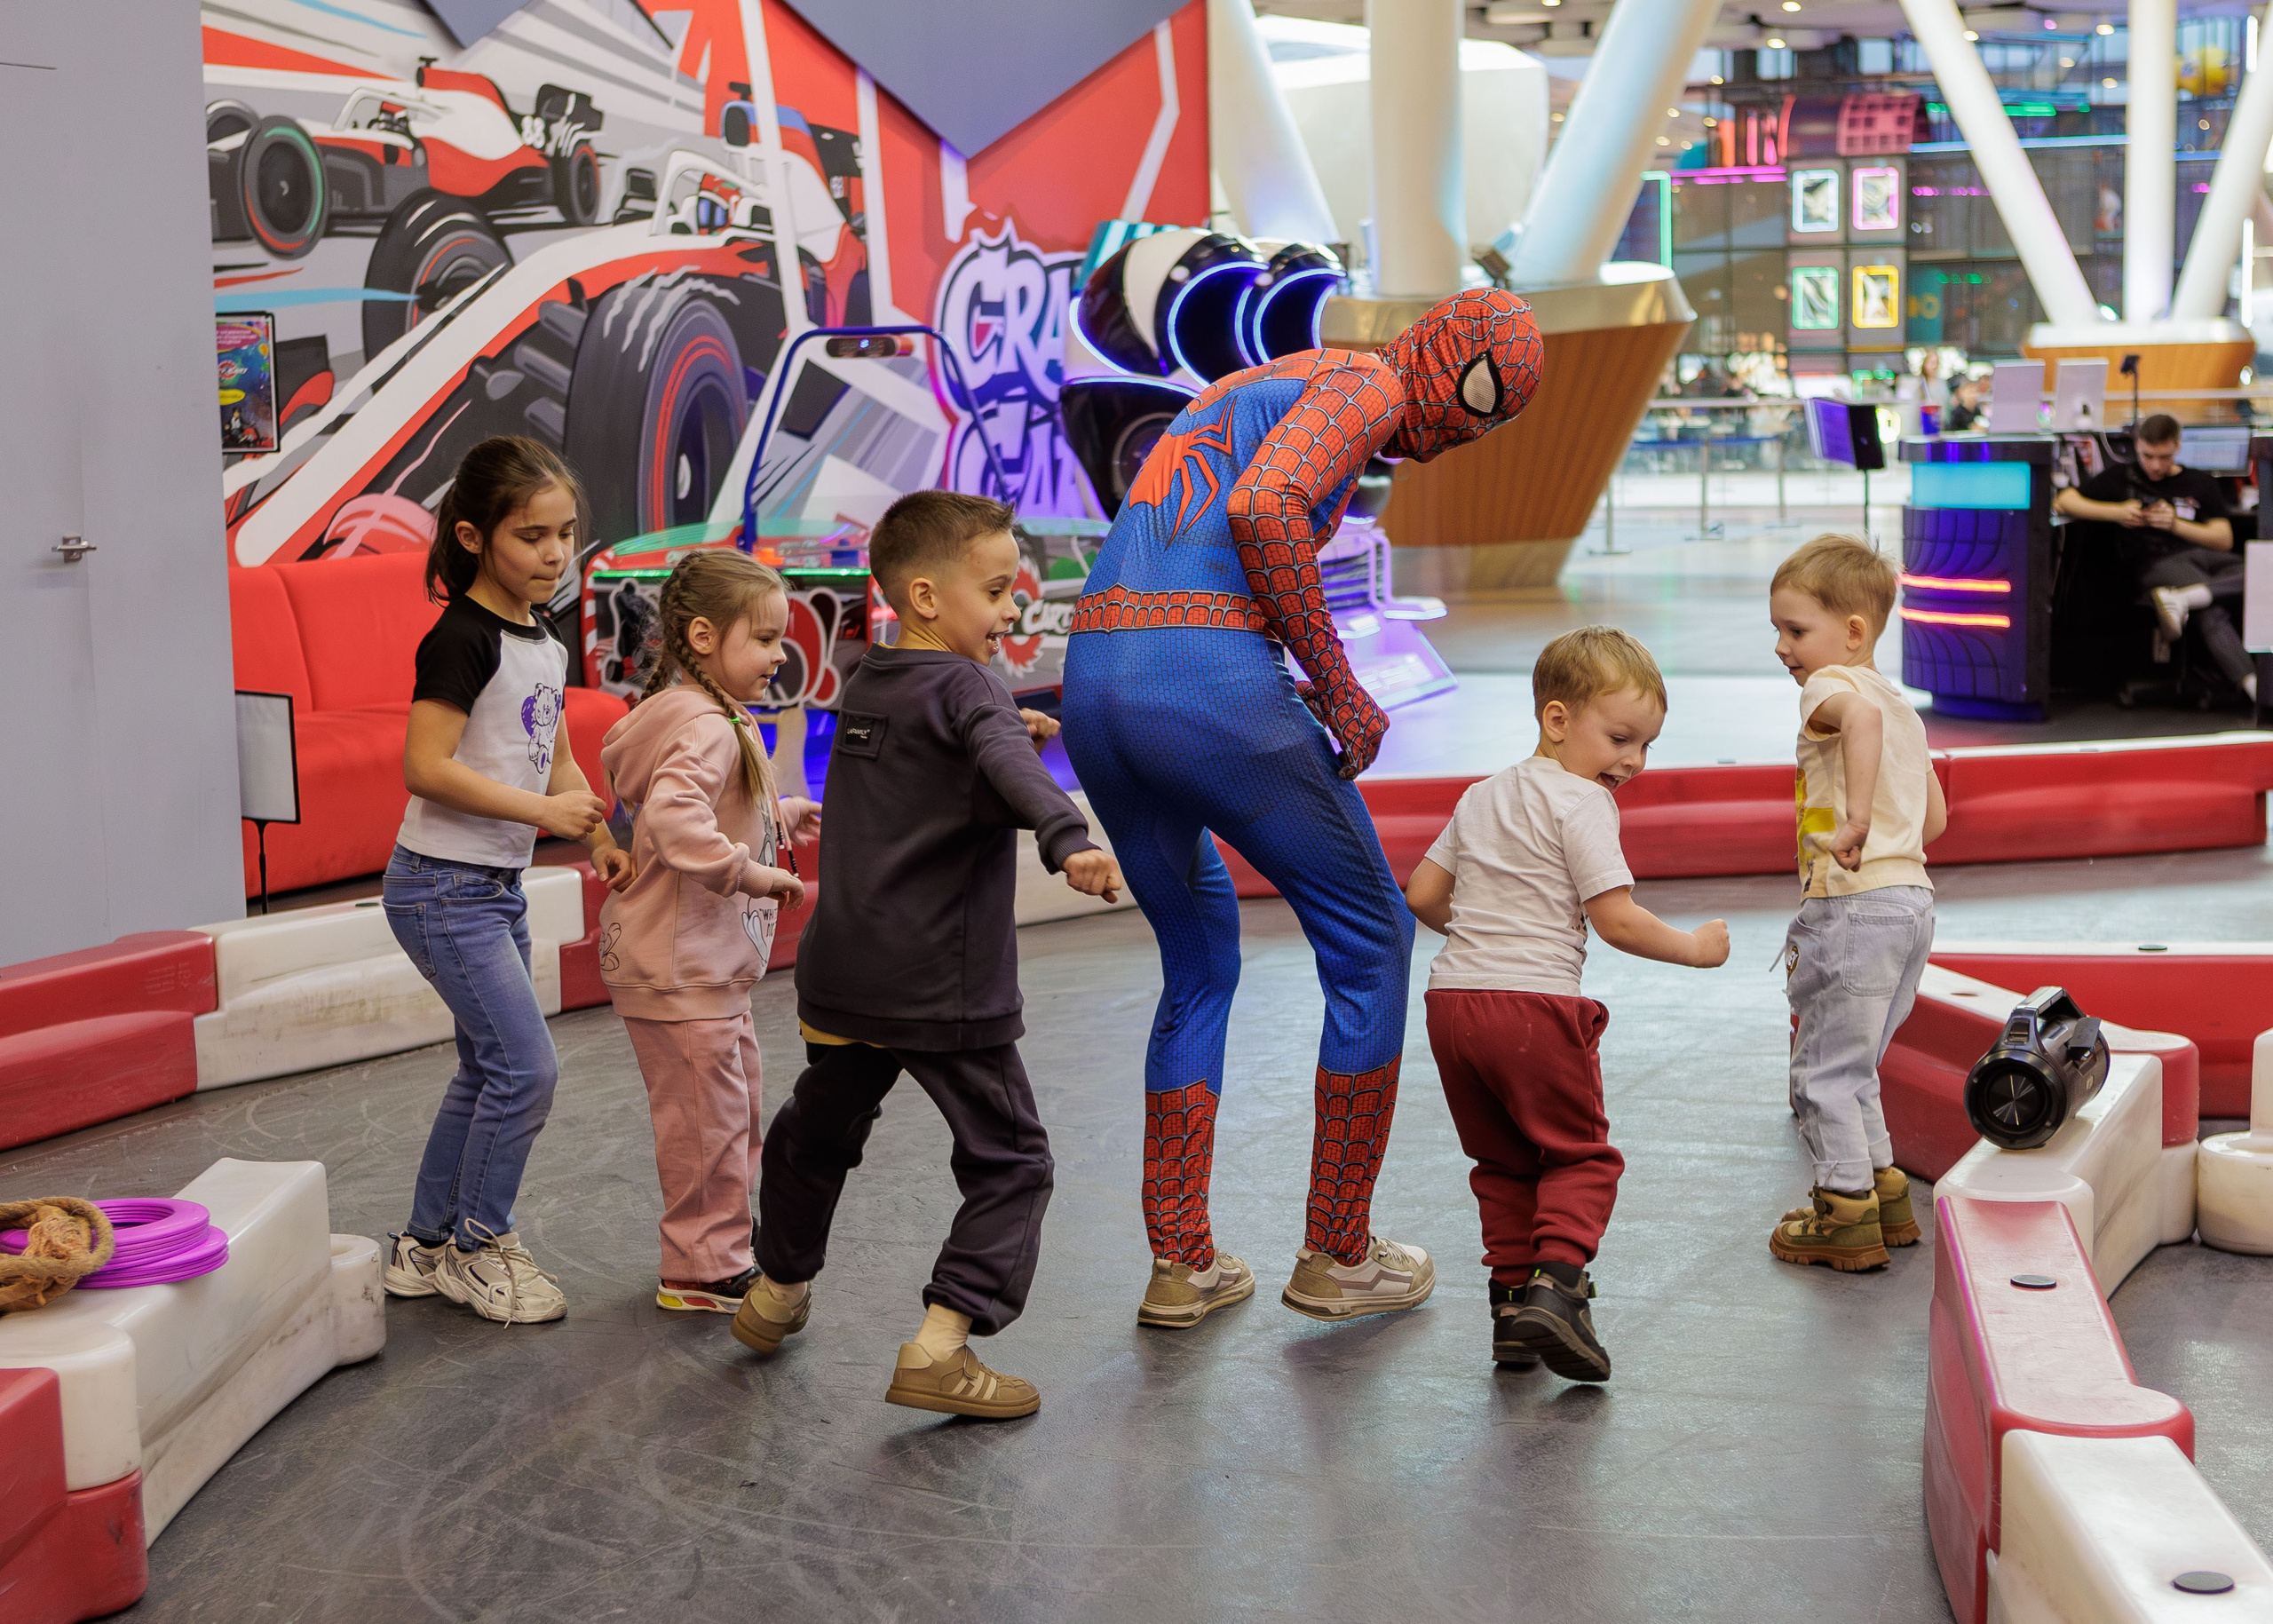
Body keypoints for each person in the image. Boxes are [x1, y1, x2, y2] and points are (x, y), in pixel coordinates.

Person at [1062, 288, 1542, 1333]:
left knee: (1197, 965)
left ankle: (1179, 1264)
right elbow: (1266, 507)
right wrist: (1337, 681)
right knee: (1370, 937)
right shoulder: (1362, 379)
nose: (1461, 433)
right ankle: (1338, 1250)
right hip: (1204, 673)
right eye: (1478, 404)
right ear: (1447, 365)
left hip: (1096, 678)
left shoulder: (1257, 382)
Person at [736, 490, 1124, 1421]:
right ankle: (942, 1345)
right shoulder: (972, 689)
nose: (1007, 611)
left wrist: (995, 738)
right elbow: (1003, 759)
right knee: (1013, 1159)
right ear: (922, 593)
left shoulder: (871, 680)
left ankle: (775, 1288)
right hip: (937, 981)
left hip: (843, 969)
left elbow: (949, 759)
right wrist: (1068, 837)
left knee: (815, 1131)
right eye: (994, 591)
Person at [1405, 628, 1728, 1382]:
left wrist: (1484, 937)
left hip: (1453, 1006)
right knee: (1581, 1155)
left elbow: (1421, 893)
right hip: (1534, 1008)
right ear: (1557, 720)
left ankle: (1512, 1315)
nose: (1634, 761)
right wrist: (1695, 947)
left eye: (1647, 744)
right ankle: (1558, 1288)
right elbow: (1614, 919)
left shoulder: (1482, 794)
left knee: (1505, 1161)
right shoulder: (1581, 802)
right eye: (1620, 737)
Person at [379, 437, 634, 1324]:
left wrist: (592, 825)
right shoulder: (459, 636)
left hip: (491, 887)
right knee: (524, 1069)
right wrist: (538, 815)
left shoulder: (542, 637)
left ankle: (422, 1243)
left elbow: (552, 751)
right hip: (440, 887)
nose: (556, 553)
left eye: (566, 534)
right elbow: (423, 764)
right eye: (533, 536)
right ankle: (480, 1245)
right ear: (473, 536)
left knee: (484, 1068)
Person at [598, 551, 820, 1313]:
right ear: (701, 636)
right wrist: (751, 873)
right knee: (706, 1121)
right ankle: (701, 1265)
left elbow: (708, 806)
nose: (778, 654)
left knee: (731, 1112)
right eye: (761, 639)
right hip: (680, 966)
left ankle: (718, 1242)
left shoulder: (714, 714)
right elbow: (671, 817)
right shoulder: (706, 725)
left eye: (779, 638)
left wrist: (780, 814)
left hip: (706, 968)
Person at [1767, 535, 1948, 1272]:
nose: (1782, 647)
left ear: (1853, 633)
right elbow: (1935, 821)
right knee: (1858, 1064)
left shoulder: (1832, 690)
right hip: (1912, 904)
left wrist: (1857, 819)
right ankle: (1883, 1193)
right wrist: (1888, 818)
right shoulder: (1903, 707)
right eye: (1777, 629)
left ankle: (1842, 1213)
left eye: (1795, 629)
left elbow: (1857, 725)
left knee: (1822, 1072)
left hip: (1852, 902)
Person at [2054, 413, 2254, 703]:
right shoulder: (2122, 477)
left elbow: (2224, 540)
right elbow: (2065, 500)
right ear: (2137, 447)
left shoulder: (2199, 481)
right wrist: (2119, 513)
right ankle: (2254, 686)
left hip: (2201, 554)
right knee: (2210, 611)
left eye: (2163, 456)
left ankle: (2187, 598)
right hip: (2155, 563)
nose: (2156, 465)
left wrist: (2175, 524)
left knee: (2263, 570)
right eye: (2148, 456)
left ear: (2177, 446)